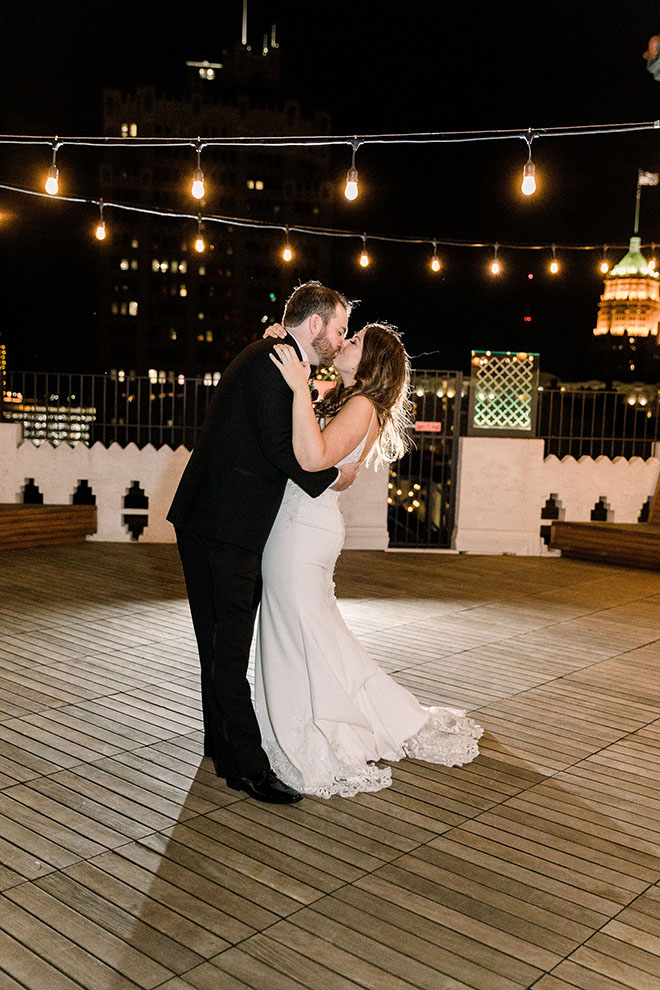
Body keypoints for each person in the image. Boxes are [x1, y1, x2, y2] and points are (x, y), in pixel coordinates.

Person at [256, 322, 483, 798]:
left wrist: (300, 388)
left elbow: (312, 455)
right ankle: (307, 714)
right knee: (309, 630)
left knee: (300, 629)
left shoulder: (361, 405)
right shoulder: (351, 400)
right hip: (302, 526)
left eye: (354, 340)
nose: (344, 343)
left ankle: (318, 726)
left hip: (303, 532)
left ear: (371, 362)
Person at [167, 281, 360, 804]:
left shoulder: (271, 354)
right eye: (338, 329)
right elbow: (283, 450)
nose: (340, 341)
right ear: (314, 324)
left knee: (215, 641)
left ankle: (219, 743)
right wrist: (334, 478)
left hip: (205, 519)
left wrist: (313, 393)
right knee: (228, 649)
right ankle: (248, 769)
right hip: (228, 529)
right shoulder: (277, 361)